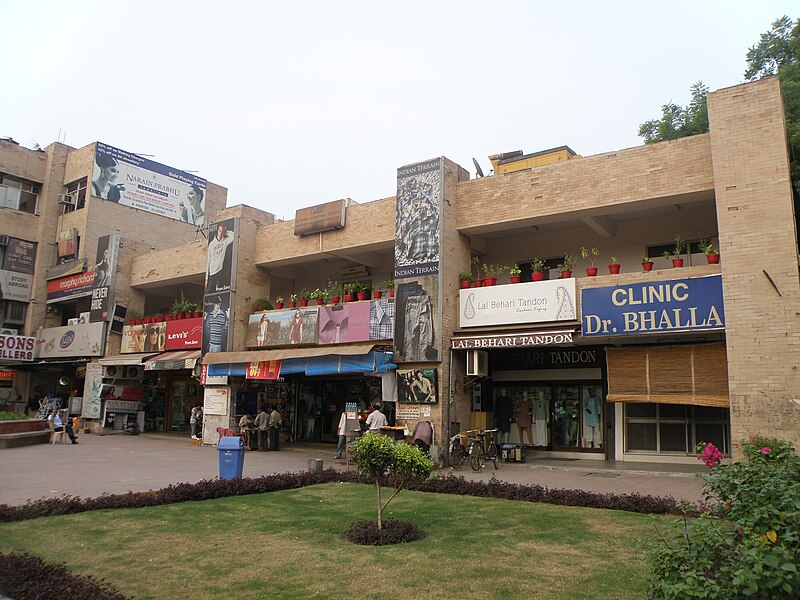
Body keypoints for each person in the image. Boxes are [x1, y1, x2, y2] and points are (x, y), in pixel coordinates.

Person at [206, 223, 235, 293]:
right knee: (208, 293)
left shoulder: (225, 241)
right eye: (219, 231)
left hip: (220, 271)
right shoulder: (211, 244)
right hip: (212, 273)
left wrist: (226, 231)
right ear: (217, 231)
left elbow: (234, 235)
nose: (221, 233)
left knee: (219, 291)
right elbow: (208, 261)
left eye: (222, 231)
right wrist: (207, 278)